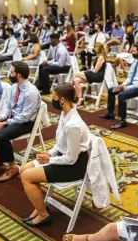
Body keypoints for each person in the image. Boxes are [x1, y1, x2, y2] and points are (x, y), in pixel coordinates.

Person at [20, 83, 90, 227]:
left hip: (74, 167)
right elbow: (60, 144)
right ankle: (41, 207)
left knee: (27, 177)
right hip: (63, 158)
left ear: (62, 100)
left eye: (54, 98)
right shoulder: (65, 114)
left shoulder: (73, 125)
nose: (52, 100)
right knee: (23, 169)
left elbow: (71, 159)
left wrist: (50, 159)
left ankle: (44, 215)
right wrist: (49, 153)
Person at [0, 62, 41, 182]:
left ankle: (12, 168)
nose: (9, 74)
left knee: (1, 136)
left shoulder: (31, 92)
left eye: (11, 72)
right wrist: (1, 118)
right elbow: (9, 107)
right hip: (13, 118)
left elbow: (25, 117)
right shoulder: (15, 87)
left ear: (19, 75)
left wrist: (5, 124)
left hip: (25, 123)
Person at [100, 44, 138, 129]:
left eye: (134, 51)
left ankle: (122, 120)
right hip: (131, 85)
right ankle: (110, 113)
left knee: (121, 95)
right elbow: (130, 78)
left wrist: (128, 87)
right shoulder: (135, 62)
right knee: (111, 90)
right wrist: (123, 85)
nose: (132, 52)